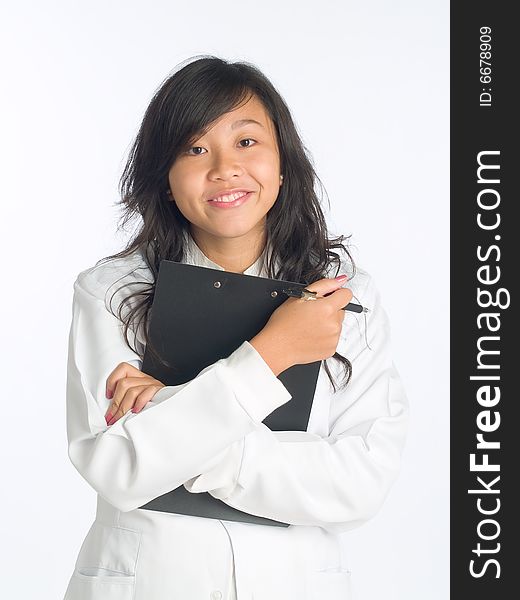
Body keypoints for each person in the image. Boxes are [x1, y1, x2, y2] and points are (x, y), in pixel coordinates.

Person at [63, 56, 409, 600]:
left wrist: (175, 419)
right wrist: (271, 354)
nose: (224, 168)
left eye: (246, 142)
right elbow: (117, 466)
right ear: (166, 178)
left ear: (283, 160)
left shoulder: (343, 296)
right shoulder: (109, 289)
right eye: (195, 149)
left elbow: (358, 487)